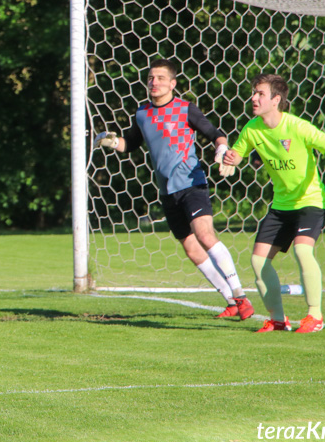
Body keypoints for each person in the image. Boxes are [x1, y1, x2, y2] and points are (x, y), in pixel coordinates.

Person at [94, 58, 254, 320]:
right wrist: (110, 141)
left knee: (204, 234)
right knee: (191, 248)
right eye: (150, 78)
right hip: (167, 191)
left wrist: (222, 149)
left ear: (172, 83)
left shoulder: (185, 109)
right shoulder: (142, 114)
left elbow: (215, 133)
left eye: (160, 78)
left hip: (192, 184)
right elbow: (129, 144)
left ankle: (240, 295)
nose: (154, 83)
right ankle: (231, 301)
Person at [223, 73, 325, 333]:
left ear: (276, 100)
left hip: (310, 202)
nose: (254, 98)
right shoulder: (252, 128)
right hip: (281, 206)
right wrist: (231, 158)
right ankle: (278, 319)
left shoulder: (297, 126)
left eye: (260, 94)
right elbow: (238, 154)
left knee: (302, 251)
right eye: (254, 93)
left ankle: (315, 316)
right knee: (258, 261)